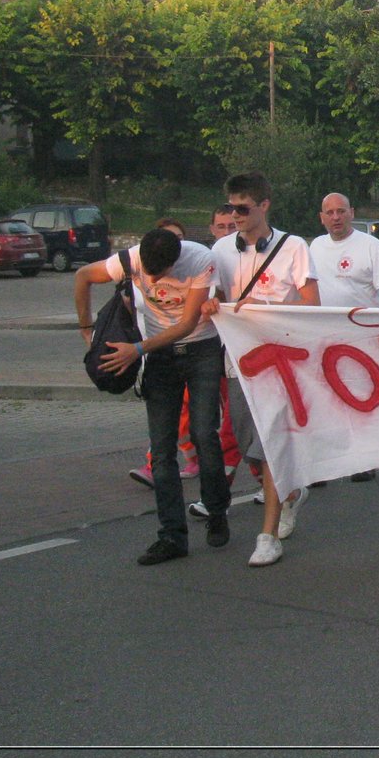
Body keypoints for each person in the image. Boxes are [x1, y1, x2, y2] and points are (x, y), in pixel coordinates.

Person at [76, 227, 224, 564]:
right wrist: (87, 330)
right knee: (161, 449)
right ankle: (172, 535)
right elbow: (83, 276)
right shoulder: (130, 260)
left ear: (176, 262)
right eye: (149, 272)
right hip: (160, 358)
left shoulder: (201, 259)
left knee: (203, 434)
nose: (154, 279)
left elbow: (187, 324)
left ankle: (216, 510)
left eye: (161, 274)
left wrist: (137, 349)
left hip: (202, 349)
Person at [205, 171, 320, 567]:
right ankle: (291, 492)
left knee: (269, 444)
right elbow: (212, 298)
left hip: (281, 362)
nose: (235, 215)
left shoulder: (293, 248)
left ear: (264, 205)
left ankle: (267, 535)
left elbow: (312, 302)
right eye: (231, 208)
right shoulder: (220, 250)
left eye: (243, 208)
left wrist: (270, 310)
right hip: (238, 361)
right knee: (248, 446)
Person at [129, 206, 240, 489]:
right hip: (162, 349)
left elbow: (226, 296)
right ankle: (167, 462)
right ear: (212, 228)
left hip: (214, 347)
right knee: (176, 417)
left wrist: (215, 304)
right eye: (221, 226)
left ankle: (225, 484)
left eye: (232, 225)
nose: (227, 231)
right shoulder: (144, 265)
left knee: (215, 423)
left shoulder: (208, 259)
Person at [310, 192, 379, 483]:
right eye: (329, 213)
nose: (335, 217)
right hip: (324, 336)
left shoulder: (370, 246)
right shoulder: (314, 247)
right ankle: (324, 463)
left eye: (341, 211)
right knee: (324, 400)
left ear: (352, 213)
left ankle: (363, 458)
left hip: (362, 337)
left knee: (361, 399)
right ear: (322, 217)